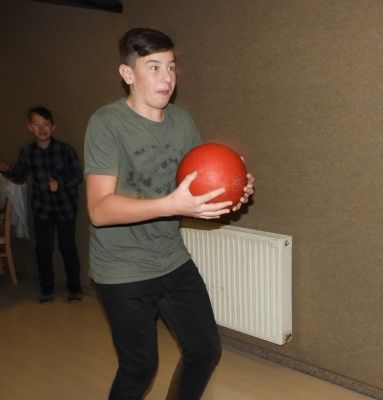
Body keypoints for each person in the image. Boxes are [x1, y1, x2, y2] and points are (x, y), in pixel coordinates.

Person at [84, 27, 254, 400]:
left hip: (171, 260)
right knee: (139, 368)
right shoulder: (106, 124)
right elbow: (99, 209)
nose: (167, 77)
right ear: (127, 74)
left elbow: (194, 191)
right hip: (122, 269)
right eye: (154, 67)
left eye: (172, 66)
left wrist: (231, 190)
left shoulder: (183, 122)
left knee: (205, 350)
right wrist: (171, 206)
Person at [0, 106, 83, 303]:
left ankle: (75, 289)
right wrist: (6, 169)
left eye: (46, 124)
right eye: (36, 124)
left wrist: (60, 184)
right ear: (30, 128)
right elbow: (19, 177)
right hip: (42, 209)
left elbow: (78, 176)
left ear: (53, 127)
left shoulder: (65, 150)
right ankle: (47, 290)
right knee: (43, 250)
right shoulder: (27, 152)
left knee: (68, 248)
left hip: (66, 208)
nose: (42, 128)